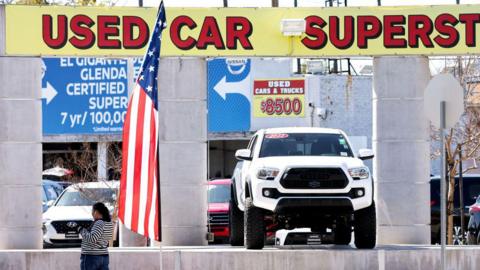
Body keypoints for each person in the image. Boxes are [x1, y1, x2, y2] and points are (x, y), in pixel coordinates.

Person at [78, 202, 114, 270]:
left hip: (91, 257)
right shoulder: (109, 223)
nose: (92, 214)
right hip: (104, 257)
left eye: (92, 211)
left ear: (96, 212)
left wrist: (80, 229)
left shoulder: (99, 223)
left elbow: (92, 238)